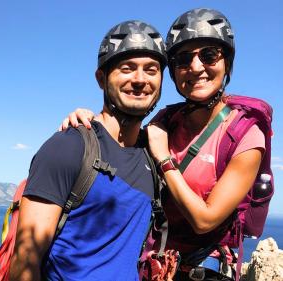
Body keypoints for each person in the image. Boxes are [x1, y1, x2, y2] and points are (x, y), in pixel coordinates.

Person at [61, 8, 265, 280]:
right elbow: (122, 150)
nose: (195, 67)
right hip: (153, 265)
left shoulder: (245, 135)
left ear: (226, 62)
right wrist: (90, 122)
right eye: (183, 59)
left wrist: (164, 159)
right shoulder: (167, 120)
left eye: (209, 55)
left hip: (203, 269)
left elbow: (205, 220)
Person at [9, 20, 167, 281]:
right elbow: (25, 263)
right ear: (101, 78)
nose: (140, 79)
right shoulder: (69, 146)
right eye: (127, 68)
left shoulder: (153, 155)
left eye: (151, 70)